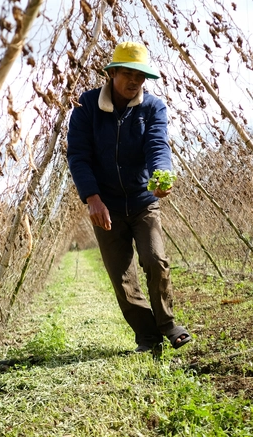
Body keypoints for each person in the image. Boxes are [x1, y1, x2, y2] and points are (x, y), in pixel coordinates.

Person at [66, 41, 191, 353]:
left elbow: (157, 145)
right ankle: (148, 338)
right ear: (112, 74)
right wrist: (92, 198)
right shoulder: (88, 106)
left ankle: (168, 325)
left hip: (141, 200)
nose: (134, 81)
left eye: (140, 76)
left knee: (155, 259)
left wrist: (161, 175)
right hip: (104, 204)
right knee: (122, 276)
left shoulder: (153, 107)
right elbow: (78, 156)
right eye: (127, 74)